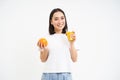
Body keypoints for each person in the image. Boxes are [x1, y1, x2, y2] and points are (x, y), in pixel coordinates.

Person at [37, 8, 78, 80]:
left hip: (65, 75)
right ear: (51, 22)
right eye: (56, 19)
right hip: (48, 75)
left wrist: (72, 43)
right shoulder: (46, 38)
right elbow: (43, 59)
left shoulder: (70, 37)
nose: (60, 21)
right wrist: (45, 49)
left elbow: (74, 59)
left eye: (62, 18)